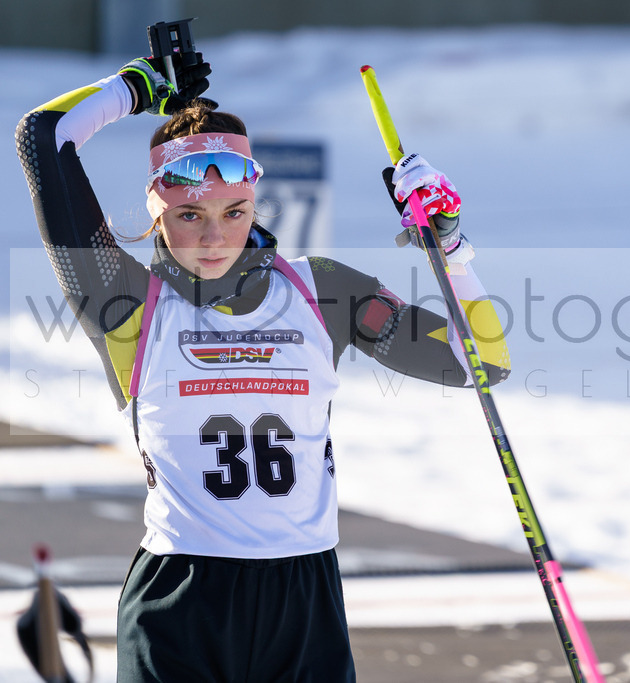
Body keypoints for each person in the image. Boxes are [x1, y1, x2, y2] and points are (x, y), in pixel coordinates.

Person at [16, 51, 510, 682]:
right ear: (155, 213)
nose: (213, 236)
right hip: (180, 600)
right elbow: (44, 136)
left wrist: (453, 250)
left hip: (302, 600)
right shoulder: (127, 305)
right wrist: (136, 87)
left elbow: (481, 364)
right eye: (188, 215)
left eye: (233, 212)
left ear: (254, 205)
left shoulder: (322, 293)